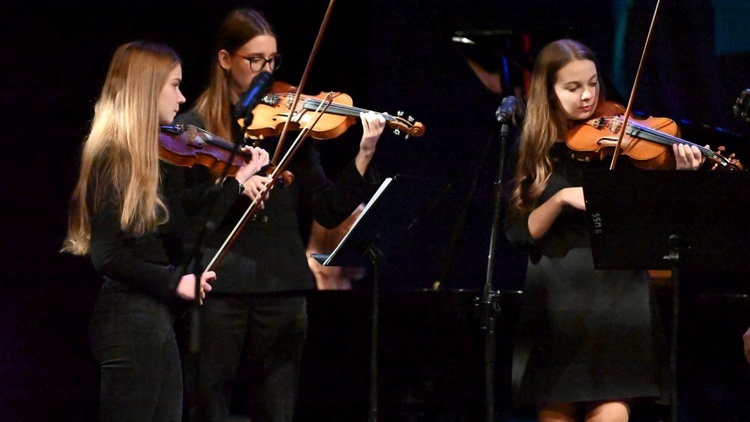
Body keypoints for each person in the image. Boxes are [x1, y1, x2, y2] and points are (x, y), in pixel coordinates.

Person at [173, 7, 387, 422]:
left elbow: (327, 209)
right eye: (255, 61)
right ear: (225, 60)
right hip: (221, 289)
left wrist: (364, 155)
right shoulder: (193, 129)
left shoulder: (291, 126)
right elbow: (182, 215)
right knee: (208, 407)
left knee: (277, 410)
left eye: (273, 62)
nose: (267, 73)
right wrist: (232, 186)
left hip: (283, 289)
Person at [60, 40, 267, 421]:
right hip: (127, 320)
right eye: (174, 84)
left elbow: (180, 222)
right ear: (147, 88)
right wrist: (176, 282)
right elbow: (108, 255)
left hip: (155, 318)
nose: (181, 96)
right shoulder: (112, 154)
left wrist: (237, 181)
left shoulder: (149, 156)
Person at [504, 38, 705, 422]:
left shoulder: (623, 143)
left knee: (613, 407)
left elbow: (660, 221)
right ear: (547, 91)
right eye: (573, 87)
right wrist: (561, 198)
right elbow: (517, 233)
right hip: (556, 302)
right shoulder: (532, 151)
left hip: (618, 299)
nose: (588, 97)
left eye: (593, 84)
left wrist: (680, 177)